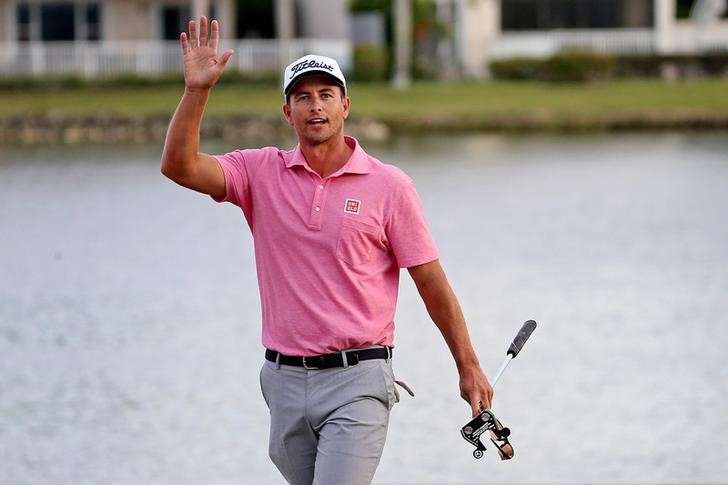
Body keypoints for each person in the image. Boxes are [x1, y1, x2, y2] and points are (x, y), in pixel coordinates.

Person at [161, 16, 494, 485]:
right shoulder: (259, 172)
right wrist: (197, 91)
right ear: (287, 112)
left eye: (325, 95)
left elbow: (431, 282)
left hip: (358, 378)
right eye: (302, 97)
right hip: (283, 381)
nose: (314, 106)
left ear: (344, 105)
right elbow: (179, 166)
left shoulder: (389, 186)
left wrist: (469, 366)